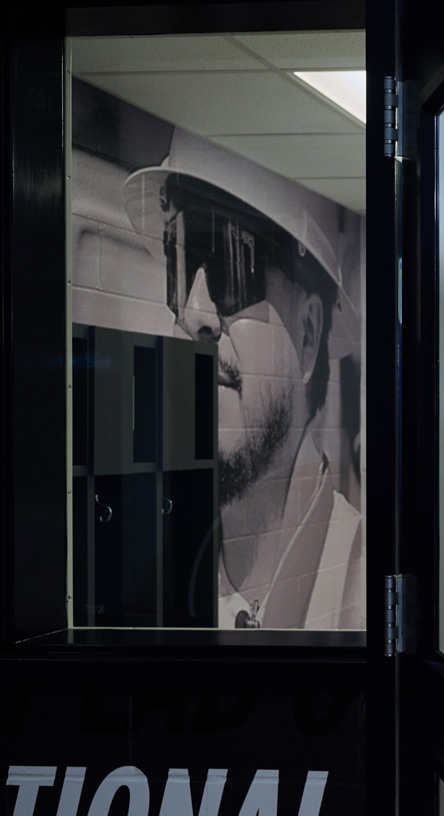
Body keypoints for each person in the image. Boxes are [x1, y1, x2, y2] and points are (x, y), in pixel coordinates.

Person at [125, 130, 363, 629]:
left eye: (229, 268)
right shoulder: (152, 581)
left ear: (308, 334)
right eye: (181, 266)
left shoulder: (360, 600)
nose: (194, 314)